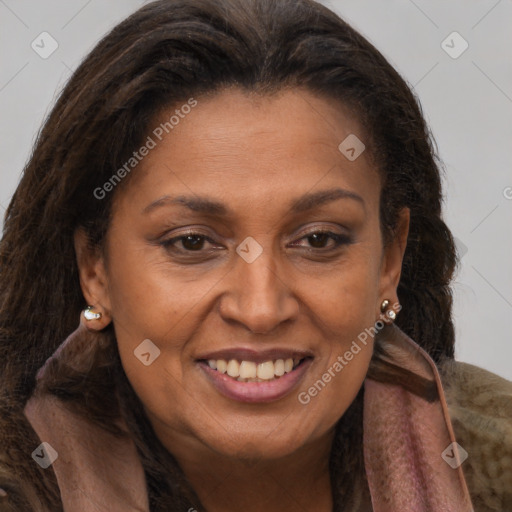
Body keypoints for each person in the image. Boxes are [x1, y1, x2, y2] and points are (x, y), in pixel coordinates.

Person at [0, 0, 511, 511]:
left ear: (389, 260)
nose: (261, 309)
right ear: (95, 269)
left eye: (318, 239)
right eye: (192, 242)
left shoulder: (496, 461)